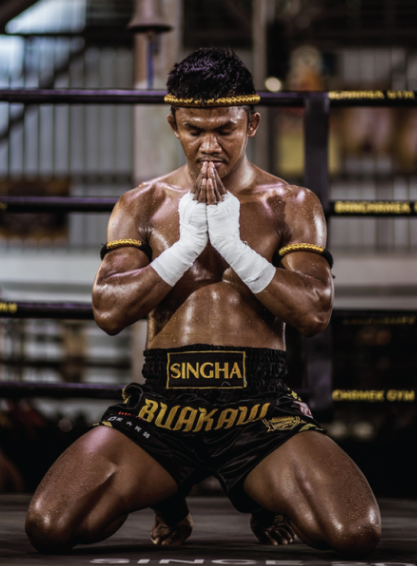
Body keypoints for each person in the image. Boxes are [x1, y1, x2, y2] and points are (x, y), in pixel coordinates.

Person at [25, 47, 380, 558]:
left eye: (225, 130)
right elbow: (108, 312)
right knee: (51, 526)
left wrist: (237, 249)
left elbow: (314, 313)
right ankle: (168, 494)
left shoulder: (291, 204)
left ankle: (262, 496)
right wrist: (184, 249)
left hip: (259, 409)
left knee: (355, 532)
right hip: (164, 407)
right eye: (195, 130)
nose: (210, 147)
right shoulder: (142, 205)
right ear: (174, 123)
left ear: (252, 122)